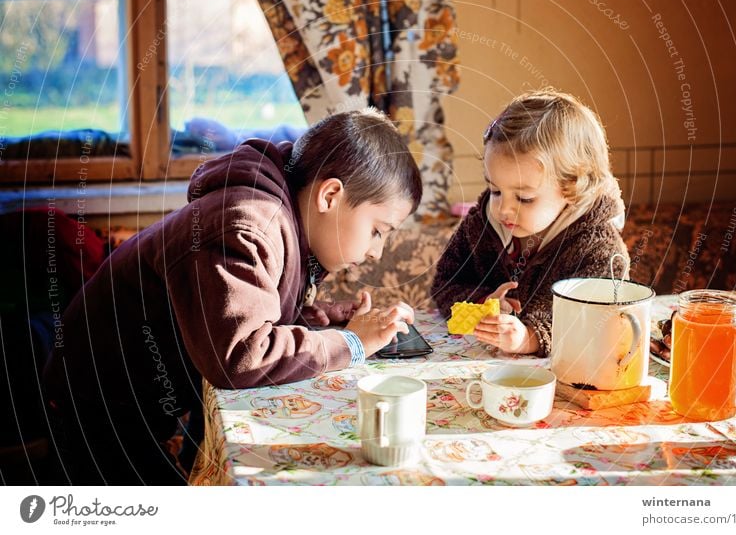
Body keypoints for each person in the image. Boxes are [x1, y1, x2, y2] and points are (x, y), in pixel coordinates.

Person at [43, 108, 421, 485]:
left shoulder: (281, 215)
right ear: (331, 195)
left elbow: (243, 309)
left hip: (139, 405)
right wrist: (351, 343)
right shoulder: (245, 225)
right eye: (378, 230)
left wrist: (313, 318)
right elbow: (241, 356)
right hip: (97, 407)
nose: (377, 252)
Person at [431, 89, 629, 357]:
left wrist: (530, 338)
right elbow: (445, 282)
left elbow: (597, 323)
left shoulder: (600, 250)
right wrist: (482, 303)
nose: (503, 208)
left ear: (572, 189)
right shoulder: (480, 225)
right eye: (495, 190)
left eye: (524, 198)